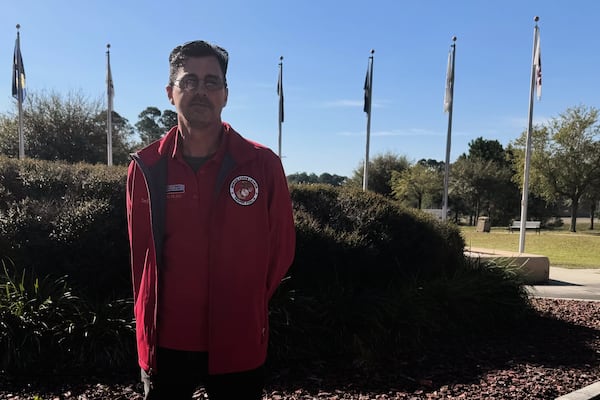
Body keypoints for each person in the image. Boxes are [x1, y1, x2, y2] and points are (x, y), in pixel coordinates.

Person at [126, 40, 296, 400]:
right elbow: (140, 254)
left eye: (211, 81)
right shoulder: (146, 166)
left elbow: (280, 250)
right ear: (170, 93)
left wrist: (244, 302)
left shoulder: (262, 164)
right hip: (165, 343)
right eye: (189, 81)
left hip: (238, 339)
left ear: (225, 94)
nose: (200, 90)